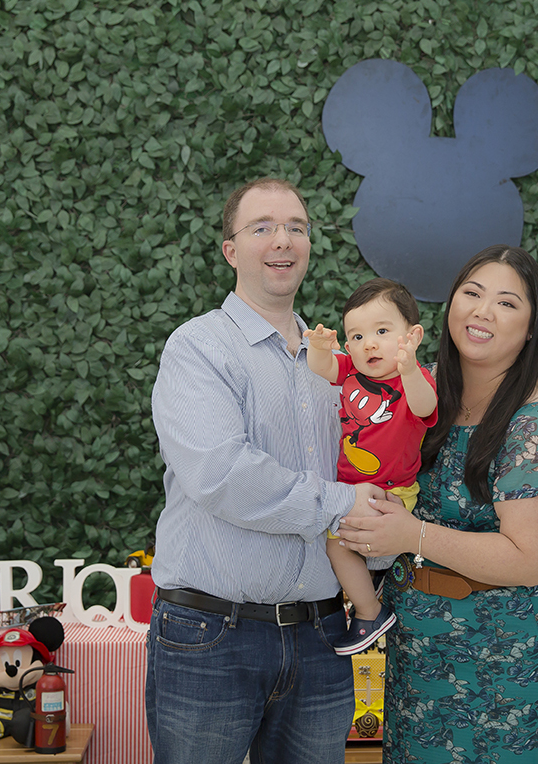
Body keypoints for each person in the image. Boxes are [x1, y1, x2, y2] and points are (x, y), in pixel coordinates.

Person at [145, 177, 387, 764]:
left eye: (296, 228)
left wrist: (382, 525)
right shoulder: (198, 347)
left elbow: (369, 462)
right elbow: (222, 474)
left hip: (322, 635)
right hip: (211, 637)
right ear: (231, 250)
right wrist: (344, 505)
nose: (283, 240)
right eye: (263, 228)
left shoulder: (340, 362)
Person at [336, 244, 538, 762]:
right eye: (472, 293)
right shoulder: (417, 385)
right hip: (417, 646)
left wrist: (412, 534)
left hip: (502, 660)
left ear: (531, 327)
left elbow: (529, 559)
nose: (483, 311)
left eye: (507, 302)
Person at [304, 278, 438, 655]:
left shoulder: (414, 381)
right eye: (358, 336)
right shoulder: (350, 371)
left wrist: (409, 369)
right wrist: (319, 347)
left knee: (351, 546)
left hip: (392, 492)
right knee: (337, 548)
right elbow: (321, 367)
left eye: (382, 331)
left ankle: (368, 610)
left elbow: (426, 407)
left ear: (411, 336)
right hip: (348, 491)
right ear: (349, 347)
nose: (369, 344)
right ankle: (371, 601)